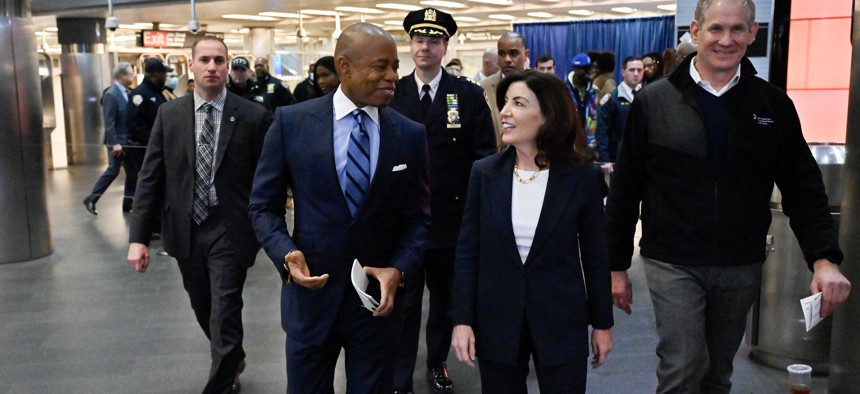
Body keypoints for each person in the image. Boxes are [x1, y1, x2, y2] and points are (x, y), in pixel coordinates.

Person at [606, 1, 852, 393]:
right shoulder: (654, 101)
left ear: (753, 34)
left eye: (738, 30)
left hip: (741, 262)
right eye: (716, 29)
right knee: (683, 364)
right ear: (696, 30)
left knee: (717, 373)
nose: (726, 40)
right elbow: (625, 190)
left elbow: (803, 187)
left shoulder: (773, 105)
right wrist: (616, 265)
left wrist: (823, 258)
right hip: (672, 260)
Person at [248, 23, 431, 393]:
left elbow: (420, 220)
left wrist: (400, 268)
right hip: (311, 300)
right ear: (344, 67)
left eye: (396, 66)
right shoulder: (292, 123)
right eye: (381, 66)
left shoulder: (410, 134)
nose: (393, 77)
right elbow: (262, 207)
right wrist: (286, 255)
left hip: (377, 307)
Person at [127, 36, 273, 394]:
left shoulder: (253, 116)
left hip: (230, 226)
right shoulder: (170, 114)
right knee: (202, 305)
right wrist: (138, 238)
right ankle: (232, 357)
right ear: (190, 66)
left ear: (228, 67)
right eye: (205, 60)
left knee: (225, 308)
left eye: (219, 60)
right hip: (185, 227)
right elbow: (150, 177)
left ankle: (221, 383)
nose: (212, 66)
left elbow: (268, 178)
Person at [451, 70, 613, 393]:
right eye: (506, 102)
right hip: (497, 318)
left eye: (519, 103)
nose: (506, 111)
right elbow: (468, 252)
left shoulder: (582, 177)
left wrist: (602, 324)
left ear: (548, 115)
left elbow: (595, 254)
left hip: (561, 318)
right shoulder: (485, 174)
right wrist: (462, 319)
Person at [389, 8, 498, 394]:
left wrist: (476, 214)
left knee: (444, 303)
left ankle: (436, 362)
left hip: (451, 221)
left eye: (433, 40)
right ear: (410, 44)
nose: (425, 47)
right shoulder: (392, 93)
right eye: (419, 40)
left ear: (445, 46)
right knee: (404, 301)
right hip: (402, 222)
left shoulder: (467, 96)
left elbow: (484, 158)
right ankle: (400, 375)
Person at [83, 62, 135, 215]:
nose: (132, 77)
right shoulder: (111, 94)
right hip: (117, 141)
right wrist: (115, 143)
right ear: (121, 76)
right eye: (130, 74)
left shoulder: (128, 93)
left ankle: (128, 202)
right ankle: (92, 198)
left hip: (128, 140)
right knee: (113, 170)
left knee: (132, 172)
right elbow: (109, 121)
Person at [126, 57, 171, 215]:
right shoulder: (139, 95)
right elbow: (134, 124)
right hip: (144, 149)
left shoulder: (158, 93)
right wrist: (154, 139)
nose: (166, 77)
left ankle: (157, 221)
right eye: (164, 74)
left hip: (160, 148)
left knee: (159, 185)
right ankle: (147, 223)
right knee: (148, 186)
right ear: (155, 74)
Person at [481, 32, 530, 148]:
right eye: (502, 54)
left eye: (514, 53)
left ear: (526, 54)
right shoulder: (484, 88)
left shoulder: (541, 86)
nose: (507, 59)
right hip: (494, 160)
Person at [595, 56, 643, 164]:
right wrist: (604, 159)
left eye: (639, 70)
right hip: (617, 158)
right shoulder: (611, 98)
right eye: (632, 70)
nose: (636, 74)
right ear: (623, 72)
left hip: (641, 158)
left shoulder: (647, 96)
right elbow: (602, 131)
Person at [566, 53, 599, 151]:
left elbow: (595, 116)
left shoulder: (593, 91)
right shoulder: (565, 90)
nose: (584, 72)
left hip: (589, 142)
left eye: (587, 69)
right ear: (574, 69)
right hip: (570, 141)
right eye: (580, 69)